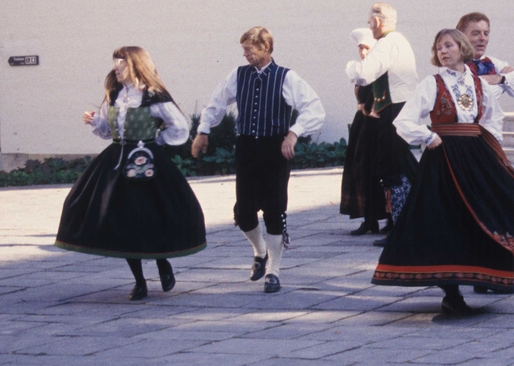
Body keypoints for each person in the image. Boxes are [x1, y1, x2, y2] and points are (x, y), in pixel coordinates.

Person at [372, 29, 514, 315]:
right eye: (438, 48)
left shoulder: (478, 83)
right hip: (443, 158)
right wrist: (426, 136)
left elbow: (491, 116)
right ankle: (451, 291)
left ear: (461, 48)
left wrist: (490, 147)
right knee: (446, 220)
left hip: (475, 155)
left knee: (489, 210)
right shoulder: (431, 83)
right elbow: (404, 121)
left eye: (448, 45)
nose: (443, 52)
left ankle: (492, 276)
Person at [56, 47, 206, 301]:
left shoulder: (153, 96)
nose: (116, 66)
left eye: (121, 62)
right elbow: (107, 130)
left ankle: (162, 263)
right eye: (115, 62)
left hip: (148, 163)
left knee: (152, 215)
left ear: (135, 64)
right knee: (122, 219)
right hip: (116, 162)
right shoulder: (115, 95)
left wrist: (155, 142)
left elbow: (179, 127)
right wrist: (94, 121)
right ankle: (139, 281)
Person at [192, 26, 325, 293]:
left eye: (249, 49)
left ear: (266, 47)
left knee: (274, 210)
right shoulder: (238, 75)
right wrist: (203, 130)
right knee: (244, 211)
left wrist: (293, 133)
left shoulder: (287, 77)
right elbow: (216, 102)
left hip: (274, 149)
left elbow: (314, 109)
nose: (245, 54)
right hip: (247, 148)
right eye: (243, 49)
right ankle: (260, 252)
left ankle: (274, 272)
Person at [352, 3, 420, 243]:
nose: (370, 27)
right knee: (401, 165)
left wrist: (350, 67)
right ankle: (411, 219)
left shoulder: (387, 42)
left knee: (391, 167)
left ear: (378, 22)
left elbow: (363, 73)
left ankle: (402, 225)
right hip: (398, 108)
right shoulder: (397, 41)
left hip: (395, 110)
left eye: (370, 22)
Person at [340, 28, 390, 236]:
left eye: (367, 48)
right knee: (361, 170)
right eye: (361, 48)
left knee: (380, 170)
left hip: (378, 125)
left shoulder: (382, 71)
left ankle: (389, 217)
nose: (363, 52)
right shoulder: (361, 72)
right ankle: (369, 219)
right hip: (363, 126)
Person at [458, 11, 514, 144]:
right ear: (461, 37)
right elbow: (477, 97)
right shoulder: (454, 65)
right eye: (476, 33)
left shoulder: (492, 62)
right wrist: (501, 85)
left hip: (490, 133)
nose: (483, 38)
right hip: (465, 134)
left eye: (486, 33)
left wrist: (500, 79)